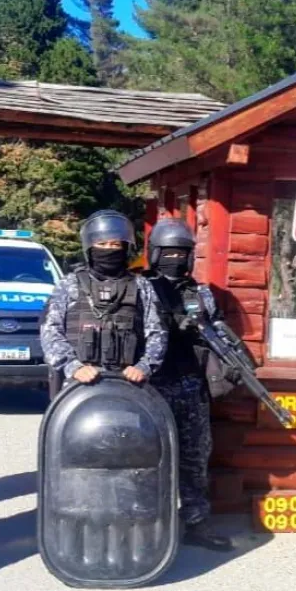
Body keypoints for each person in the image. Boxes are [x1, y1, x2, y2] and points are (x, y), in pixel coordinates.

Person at [144, 217, 234, 551]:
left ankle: (196, 522)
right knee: (148, 457)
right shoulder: (141, 290)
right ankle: (149, 524)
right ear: (155, 253)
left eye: (181, 252)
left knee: (195, 457)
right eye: (168, 252)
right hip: (149, 387)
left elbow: (218, 331)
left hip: (191, 386)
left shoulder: (202, 294)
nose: (175, 258)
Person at [40, 209, 167, 387]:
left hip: (128, 382)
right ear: (90, 248)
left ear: (125, 247)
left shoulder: (141, 286)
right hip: (78, 383)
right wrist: (73, 366)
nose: (109, 249)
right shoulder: (69, 284)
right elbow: (50, 330)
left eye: (115, 244)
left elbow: (157, 332)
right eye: (102, 244)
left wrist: (144, 367)